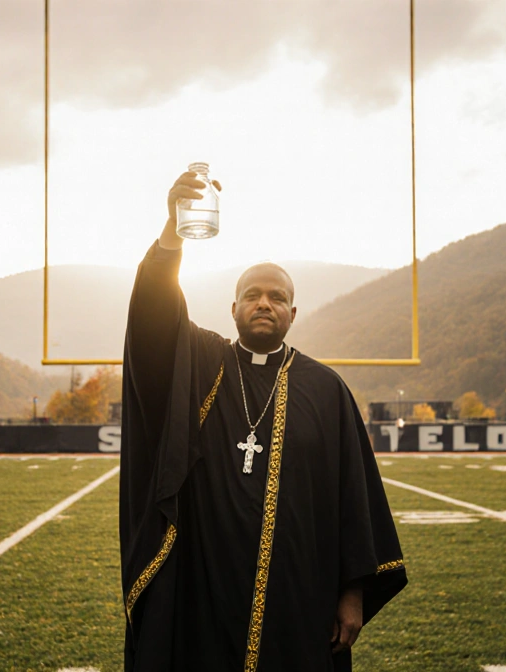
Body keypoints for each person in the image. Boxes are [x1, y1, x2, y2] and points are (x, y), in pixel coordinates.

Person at [120, 171, 407, 672]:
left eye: (276, 297)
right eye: (253, 294)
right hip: (203, 589)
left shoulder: (326, 389)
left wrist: (353, 594)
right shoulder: (201, 364)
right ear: (233, 307)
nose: (264, 303)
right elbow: (152, 316)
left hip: (300, 596)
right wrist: (172, 234)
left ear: (293, 313)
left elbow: (353, 499)